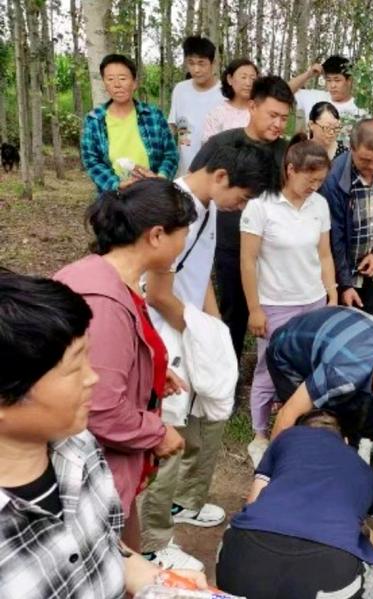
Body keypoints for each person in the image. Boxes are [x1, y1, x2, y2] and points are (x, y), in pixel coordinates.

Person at [0, 270, 207, 598]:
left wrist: (153, 578)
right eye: (74, 368)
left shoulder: (80, 446)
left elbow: (103, 544)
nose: (92, 378)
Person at [139, 141, 274, 569]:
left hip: (188, 330)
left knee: (202, 422)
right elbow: (158, 294)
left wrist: (213, 329)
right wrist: (199, 333)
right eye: (243, 196)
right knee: (168, 435)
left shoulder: (208, 206)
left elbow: (198, 276)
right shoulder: (173, 210)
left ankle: (182, 504)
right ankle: (150, 543)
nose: (242, 206)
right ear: (220, 177)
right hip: (165, 337)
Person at [54, 180, 193, 556]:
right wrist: (157, 432)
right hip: (93, 476)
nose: (183, 245)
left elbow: (110, 358)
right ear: (157, 235)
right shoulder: (105, 302)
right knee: (113, 568)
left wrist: (149, 370)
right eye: (182, 235)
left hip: (101, 470)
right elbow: (99, 408)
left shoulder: (105, 277)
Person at [217, 410, 373, 599]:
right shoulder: (362, 468)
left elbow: (252, 504)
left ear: (300, 430)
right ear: (345, 441)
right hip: (332, 578)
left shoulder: (285, 440)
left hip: (239, 563)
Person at [241, 139, 337, 466]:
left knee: (308, 368)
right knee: (269, 368)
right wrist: (254, 308)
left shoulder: (319, 205)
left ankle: (297, 428)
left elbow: (324, 255)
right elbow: (248, 261)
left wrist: (331, 293)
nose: (314, 186)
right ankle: (259, 434)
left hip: (313, 300)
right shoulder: (261, 206)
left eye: (320, 181)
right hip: (275, 303)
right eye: (310, 179)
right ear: (290, 169)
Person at [191, 74, 294, 360]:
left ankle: (273, 369)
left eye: (284, 118)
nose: (278, 124)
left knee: (277, 312)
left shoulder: (286, 153)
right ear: (252, 106)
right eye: (272, 115)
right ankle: (228, 369)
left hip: (273, 249)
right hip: (230, 243)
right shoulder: (222, 145)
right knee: (233, 312)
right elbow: (196, 185)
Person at [264, 306, 373, 441]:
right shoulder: (342, 376)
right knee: (308, 420)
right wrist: (269, 468)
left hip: (330, 332)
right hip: (288, 348)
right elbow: (288, 413)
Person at [321, 118, 373, 316]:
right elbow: (335, 236)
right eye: (365, 160)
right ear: (351, 148)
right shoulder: (334, 178)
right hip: (341, 273)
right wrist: (345, 284)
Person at [81, 54, 177, 193]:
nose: (117, 85)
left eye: (122, 78)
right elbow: (92, 161)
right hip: (114, 197)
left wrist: (160, 179)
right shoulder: (94, 120)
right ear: (104, 84)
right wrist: (117, 184)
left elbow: (170, 154)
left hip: (152, 193)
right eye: (110, 79)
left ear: (134, 83)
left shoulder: (153, 115)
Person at [169, 36, 223, 175]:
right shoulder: (180, 90)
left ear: (213, 63)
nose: (196, 69)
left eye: (201, 63)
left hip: (215, 171)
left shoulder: (225, 93)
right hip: (184, 171)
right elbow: (173, 126)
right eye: (191, 63)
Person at [289, 55, 368, 142]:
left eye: (337, 80)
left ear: (349, 81)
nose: (332, 85)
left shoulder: (359, 110)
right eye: (329, 80)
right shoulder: (314, 97)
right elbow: (284, 91)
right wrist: (308, 74)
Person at [202, 58, 258, 143]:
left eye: (253, 78)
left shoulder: (260, 112)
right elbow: (208, 146)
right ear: (230, 79)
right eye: (243, 77)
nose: (248, 83)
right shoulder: (217, 114)